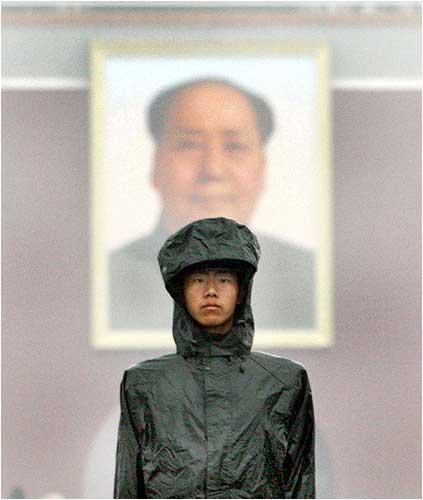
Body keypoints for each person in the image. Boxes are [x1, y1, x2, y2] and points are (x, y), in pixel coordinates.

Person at [114, 217, 315, 498]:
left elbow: (300, 485)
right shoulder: (144, 384)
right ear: (181, 292)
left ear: (241, 289)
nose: (211, 290)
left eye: (223, 279)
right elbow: (128, 486)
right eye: (197, 279)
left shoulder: (284, 382)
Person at [109, 78, 314, 330]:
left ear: (262, 169)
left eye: (235, 146)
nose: (213, 170)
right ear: (156, 165)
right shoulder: (105, 279)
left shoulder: (311, 277)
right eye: (189, 145)